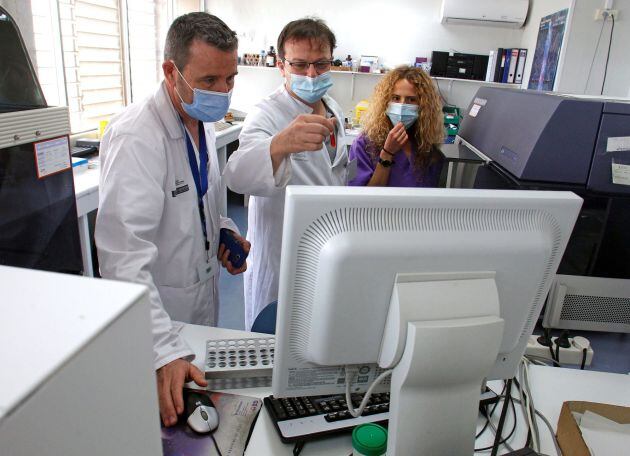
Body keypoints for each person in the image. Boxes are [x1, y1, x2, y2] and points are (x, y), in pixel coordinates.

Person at [95, 13, 250, 427]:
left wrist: (225, 230)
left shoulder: (200, 122)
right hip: (157, 322)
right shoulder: (137, 138)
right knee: (160, 425)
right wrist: (162, 349)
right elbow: (122, 258)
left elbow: (203, 202)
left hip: (201, 301)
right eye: (210, 81)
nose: (222, 92)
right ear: (170, 71)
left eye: (230, 79)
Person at [223, 18, 351, 330]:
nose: (311, 74)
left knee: (319, 337)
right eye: (300, 64)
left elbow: (336, 172)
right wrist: (281, 144)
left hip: (328, 249)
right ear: (281, 66)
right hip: (283, 257)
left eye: (321, 64)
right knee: (273, 344)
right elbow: (237, 174)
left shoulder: (333, 107)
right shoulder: (266, 113)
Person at [348, 65, 444, 187]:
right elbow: (359, 199)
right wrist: (387, 153)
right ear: (385, 102)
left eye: (411, 100)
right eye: (396, 98)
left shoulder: (426, 145)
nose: (402, 105)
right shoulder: (363, 144)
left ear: (423, 106)